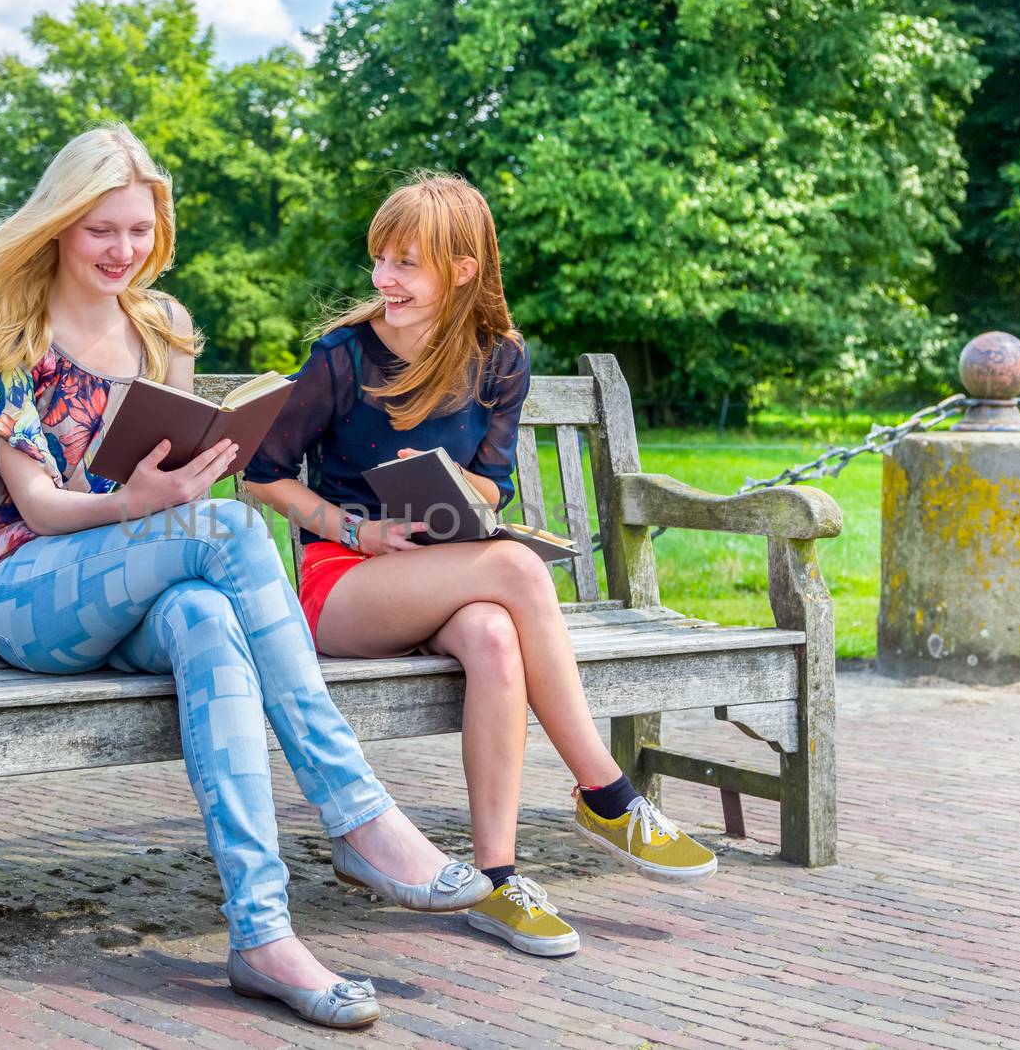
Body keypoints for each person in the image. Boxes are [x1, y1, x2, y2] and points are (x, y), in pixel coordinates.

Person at [0, 128, 491, 1029]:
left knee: (203, 619)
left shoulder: (162, 327)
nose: (123, 251)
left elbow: (170, 472)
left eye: (139, 230)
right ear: (61, 224)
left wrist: (191, 474)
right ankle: (357, 813)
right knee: (226, 526)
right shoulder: (8, 335)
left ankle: (263, 936)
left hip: (135, 584)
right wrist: (145, 502)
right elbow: (36, 509)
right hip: (26, 594)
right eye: (102, 229)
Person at [244, 172, 718, 959]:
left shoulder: (499, 357)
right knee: (524, 574)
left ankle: (497, 881)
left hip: (447, 567)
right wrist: (354, 529)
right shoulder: (341, 357)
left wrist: (459, 493)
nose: (383, 279)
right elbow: (265, 472)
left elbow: (492, 478)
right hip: (347, 583)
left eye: (405, 264)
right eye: (381, 261)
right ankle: (607, 792)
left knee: (498, 636)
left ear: (461, 270)